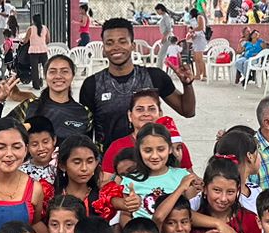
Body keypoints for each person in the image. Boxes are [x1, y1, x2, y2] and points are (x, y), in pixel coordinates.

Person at [79, 17, 196, 146]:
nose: (116, 47)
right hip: (108, 158)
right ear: (103, 49)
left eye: (122, 42)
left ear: (133, 46)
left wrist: (187, 85)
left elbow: (188, 111)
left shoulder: (155, 77)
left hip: (150, 155)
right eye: (109, 43)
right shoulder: (92, 85)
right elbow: (85, 133)